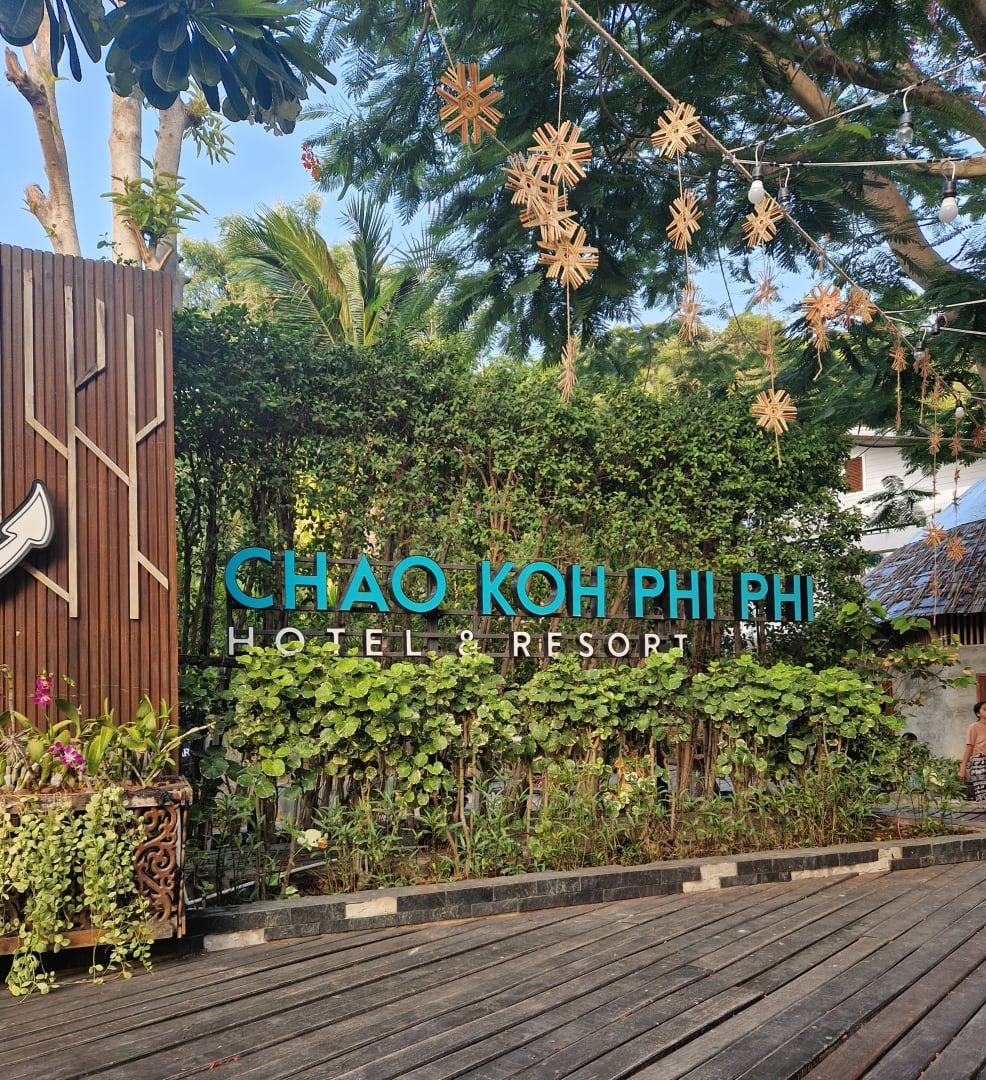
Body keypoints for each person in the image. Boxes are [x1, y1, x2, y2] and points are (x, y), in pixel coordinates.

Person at [958, 702, 986, 802]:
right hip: (979, 761)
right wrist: (963, 767)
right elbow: (970, 747)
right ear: (978, 714)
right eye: (985, 709)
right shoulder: (974, 727)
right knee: (983, 794)